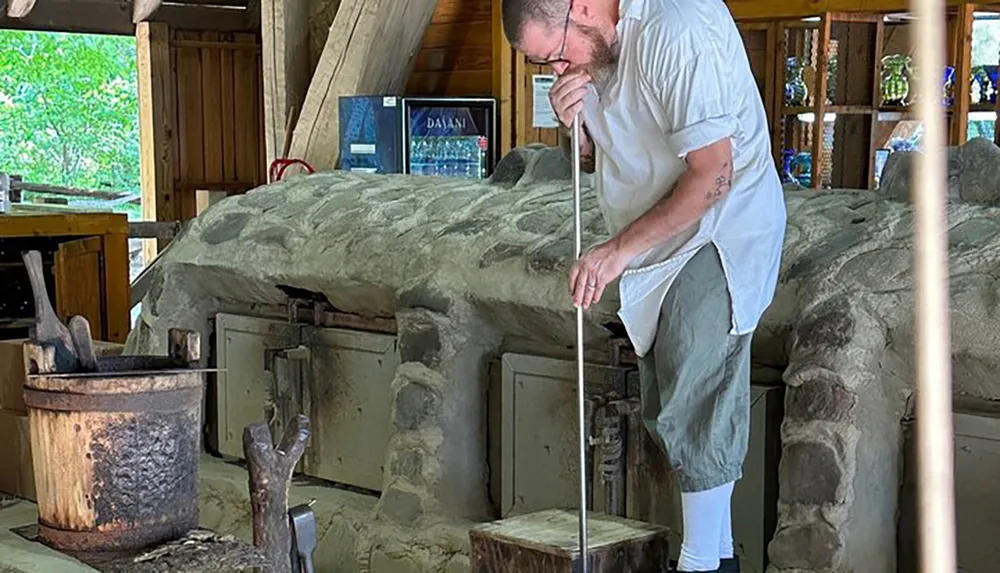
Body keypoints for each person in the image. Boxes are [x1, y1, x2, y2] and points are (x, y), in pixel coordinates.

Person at [500, 0, 787, 571]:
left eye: (556, 56)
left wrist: (614, 253)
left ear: (580, 6)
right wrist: (577, 132)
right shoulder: (597, 46)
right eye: (545, 64)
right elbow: (610, 153)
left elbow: (715, 175)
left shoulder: (673, 32)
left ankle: (701, 563)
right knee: (669, 400)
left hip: (718, 226)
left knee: (694, 385)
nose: (558, 69)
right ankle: (715, 556)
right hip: (654, 235)